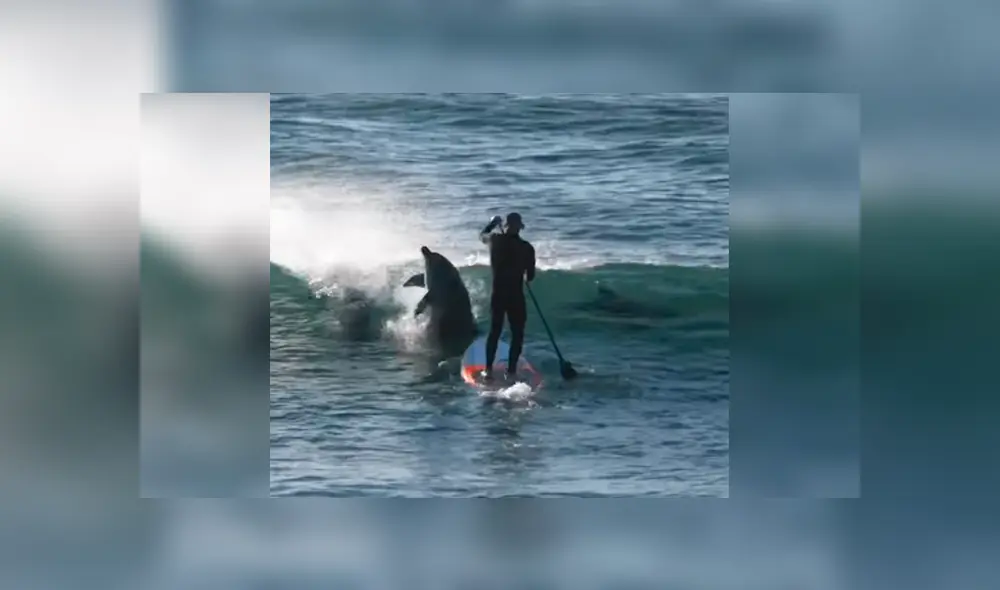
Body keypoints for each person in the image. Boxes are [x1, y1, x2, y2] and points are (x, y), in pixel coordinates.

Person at [478, 212, 536, 380]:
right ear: (520, 227)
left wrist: (491, 224)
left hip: (499, 294)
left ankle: (488, 370)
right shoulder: (527, 248)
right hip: (516, 295)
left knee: (494, 331)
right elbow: (530, 276)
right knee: (517, 334)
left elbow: (482, 236)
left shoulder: (495, 240)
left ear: (506, 226)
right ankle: (511, 370)